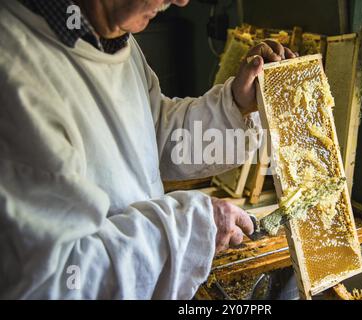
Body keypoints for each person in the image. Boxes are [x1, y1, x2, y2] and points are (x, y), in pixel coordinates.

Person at [0, 0, 297, 299]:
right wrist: (178, 235)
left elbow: (154, 133)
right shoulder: (14, 71)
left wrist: (237, 104)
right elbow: (54, 283)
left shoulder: (108, 33)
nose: (182, 1)